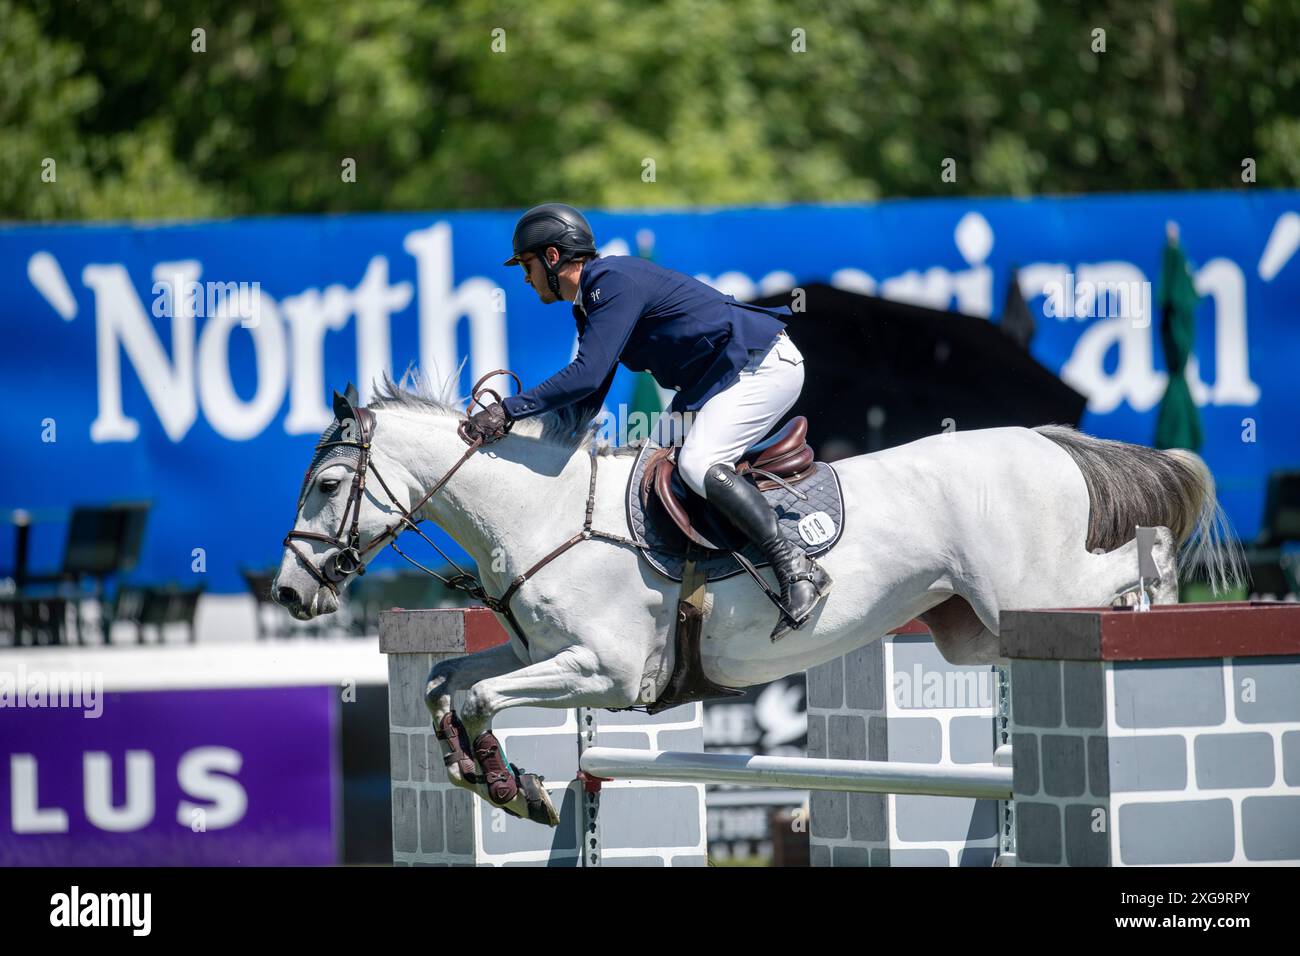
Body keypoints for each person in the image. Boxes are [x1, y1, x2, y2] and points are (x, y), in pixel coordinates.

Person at [465, 202, 830, 640]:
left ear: (553, 257)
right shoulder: (590, 303)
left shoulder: (610, 282)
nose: (525, 277)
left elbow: (587, 374)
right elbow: (587, 399)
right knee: (643, 472)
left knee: (696, 465)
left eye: (527, 264)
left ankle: (795, 566)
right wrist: (525, 445)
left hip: (762, 365)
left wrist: (507, 410)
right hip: (715, 382)